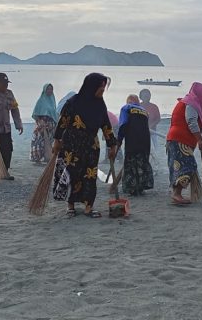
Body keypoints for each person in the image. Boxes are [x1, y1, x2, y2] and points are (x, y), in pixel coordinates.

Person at [52, 73, 117, 218]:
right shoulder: (73, 102)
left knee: (89, 176)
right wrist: (57, 140)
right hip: (71, 145)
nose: (102, 90)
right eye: (100, 87)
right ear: (91, 86)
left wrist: (112, 145)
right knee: (71, 174)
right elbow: (62, 122)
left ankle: (89, 207)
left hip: (91, 146)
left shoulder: (100, 104)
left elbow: (106, 126)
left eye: (103, 87)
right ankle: (71, 206)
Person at [166, 82, 202, 205]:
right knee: (187, 166)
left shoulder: (188, 102)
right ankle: (176, 194)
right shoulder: (190, 104)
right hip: (180, 139)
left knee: (179, 166)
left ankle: (176, 194)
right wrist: (200, 139)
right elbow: (191, 122)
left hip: (177, 139)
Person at [117, 94, 154, 196]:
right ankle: (141, 187)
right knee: (142, 162)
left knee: (131, 163)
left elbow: (123, 124)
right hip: (145, 141)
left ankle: (132, 188)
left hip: (132, 140)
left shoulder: (126, 108)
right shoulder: (144, 111)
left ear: (128, 101)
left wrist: (119, 140)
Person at [30, 83, 58, 163]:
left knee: (49, 141)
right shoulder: (41, 100)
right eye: (48, 89)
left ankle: (47, 157)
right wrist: (40, 122)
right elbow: (36, 113)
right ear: (44, 90)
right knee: (39, 141)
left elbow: (54, 114)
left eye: (51, 89)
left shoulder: (52, 100)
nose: (50, 91)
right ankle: (38, 158)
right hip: (42, 124)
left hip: (51, 125)